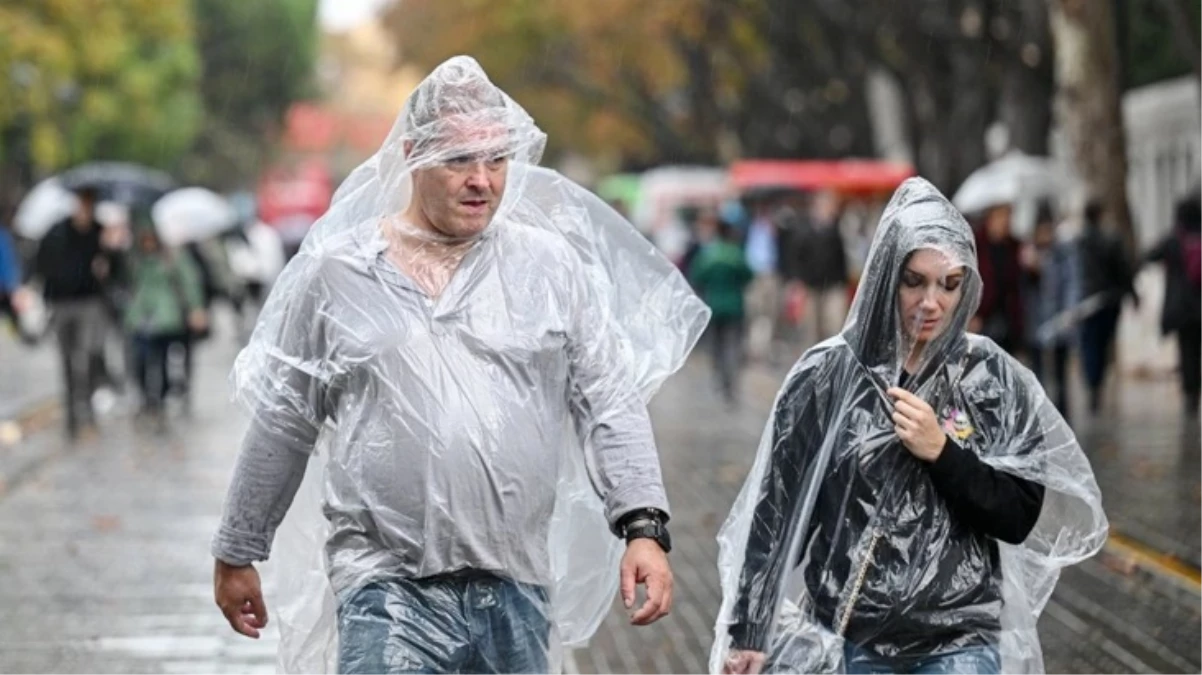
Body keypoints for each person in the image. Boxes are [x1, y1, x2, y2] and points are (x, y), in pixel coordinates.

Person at [211, 56, 709, 674]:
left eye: (497, 160)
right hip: (385, 587)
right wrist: (238, 548)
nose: (482, 181)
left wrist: (644, 527)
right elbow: (284, 422)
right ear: (413, 155)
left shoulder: (547, 268)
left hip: (515, 588)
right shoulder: (338, 274)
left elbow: (608, 401)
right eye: (459, 160)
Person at [713, 178, 1106, 675]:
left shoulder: (991, 378)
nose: (931, 302)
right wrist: (749, 629)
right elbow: (778, 512)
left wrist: (943, 452)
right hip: (850, 640)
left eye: (949, 284)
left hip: (959, 640)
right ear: (884, 276)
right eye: (914, 281)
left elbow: (1017, 515)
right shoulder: (828, 376)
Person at [30, 187, 114, 438]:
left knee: (87, 355)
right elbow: (40, 263)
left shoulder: (101, 233)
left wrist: (107, 261)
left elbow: (115, 267)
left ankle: (87, 410)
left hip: (90, 302)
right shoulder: (56, 232)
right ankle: (71, 413)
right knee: (66, 359)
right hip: (61, 302)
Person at [123, 226, 206, 424]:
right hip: (142, 317)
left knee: (164, 361)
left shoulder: (173, 256)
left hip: (168, 318)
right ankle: (149, 399)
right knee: (141, 361)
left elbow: (189, 281)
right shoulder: (135, 259)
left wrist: (196, 308)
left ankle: (163, 397)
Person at [1076, 200, 1139, 413]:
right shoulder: (1110, 239)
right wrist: (1132, 294)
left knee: (1090, 344)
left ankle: (1093, 384)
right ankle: (1098, 383)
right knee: (1102, 344)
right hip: (1108, 301)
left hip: (1086, 302)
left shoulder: (1078, 242)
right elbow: (1123, 269)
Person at [1144, 192, 1202, 419]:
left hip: (1183, 309)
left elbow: (1149, 255)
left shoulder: (1174, 240)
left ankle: (1190, 397)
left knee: (1187, 353)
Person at [1021, 206, 1080, 417]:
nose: (1045, 235)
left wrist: (1069, 312)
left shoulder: (1062, 253)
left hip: (1059, 322)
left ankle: (1063, 418)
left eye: (1048, 230)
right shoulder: (1027, 254)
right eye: (1041, 230)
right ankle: (1039, 416)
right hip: (1035, 322)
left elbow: (1071, 283)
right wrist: (1030, 270)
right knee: (1037, 375)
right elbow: (1022, 291)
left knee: (1060, 376)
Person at [690, 218, 755, 405]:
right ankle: (730, 382)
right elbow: (748, 276)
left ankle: (719, 378)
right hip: (734, 306)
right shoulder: (736, 254)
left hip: (714, 306)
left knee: (716, 346)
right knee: (732, 345)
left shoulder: (709, 255)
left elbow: (698, 276)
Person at [783, 190, 850, 351]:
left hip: (832, 285)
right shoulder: (804, 228)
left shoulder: (836, 229)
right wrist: (796, 282)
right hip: (810, 286)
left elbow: (841, 258)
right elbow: (795, 257)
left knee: (833, 324)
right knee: (810, 328)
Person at [971, 204, 1025, 355]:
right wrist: (972, 315)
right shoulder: (977, 244)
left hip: (1007, 318)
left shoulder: (1014, 246)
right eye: (1002, 216)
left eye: (1008, 217)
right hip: (983, 317)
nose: (1006, 222)